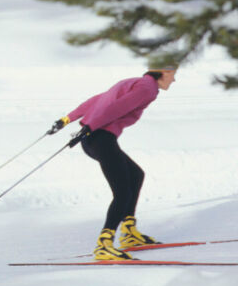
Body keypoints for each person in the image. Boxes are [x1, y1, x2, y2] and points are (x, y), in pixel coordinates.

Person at [51, 68, 177, 261]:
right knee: (122, 192)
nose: (174, 79)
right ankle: (104, 244)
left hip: (95, 137)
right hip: (100, 137)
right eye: (173, 74)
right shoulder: (148, 88)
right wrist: (90, 126)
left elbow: (98, 100)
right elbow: (119, 107)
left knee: (135, 175)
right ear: (163, 72)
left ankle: (129, 232)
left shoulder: (132, 82)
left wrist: (67, 119)